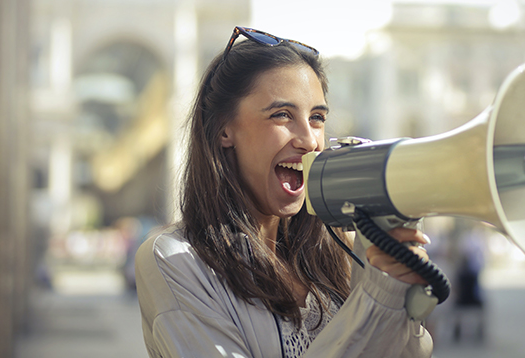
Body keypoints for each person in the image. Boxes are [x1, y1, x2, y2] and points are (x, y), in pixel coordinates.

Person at [134, 26, 434, 357]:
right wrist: (378, 299)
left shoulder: (340, 249)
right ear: (223, 129)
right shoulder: (175, 260)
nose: (309, 140)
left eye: (317, 118)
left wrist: (399, 295)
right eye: (282, 115)